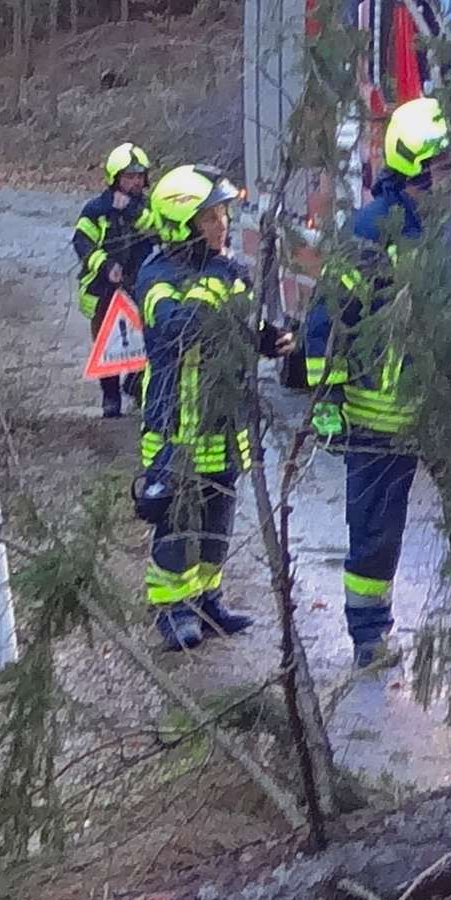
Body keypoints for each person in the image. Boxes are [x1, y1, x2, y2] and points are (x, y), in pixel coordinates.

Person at [307, 97, 450, 665]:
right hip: (378, 416)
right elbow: (327, 318)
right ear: (411, 166)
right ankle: (368, 636)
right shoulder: (369, 232)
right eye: (440, 166)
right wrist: (328, 400)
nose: (449, 177)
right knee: (375, 530)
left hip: (444, 408)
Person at [133, 166, 280, 651]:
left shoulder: (223, 271)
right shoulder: (157, 277)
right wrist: (215, 283)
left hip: (223, 425)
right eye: (210, 217)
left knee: (217, 521)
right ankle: (172, 609)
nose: (222, 225)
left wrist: (266, 341)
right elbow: (175, 330)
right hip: (177, 428)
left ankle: (207, 598)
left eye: (222, 214)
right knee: (177, 522)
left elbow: (234, 330)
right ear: (181, 224)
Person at [74, 142, 155, 419]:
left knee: (143, 341)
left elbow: (158, 231)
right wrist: (106, 266)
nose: (134, 182)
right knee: (107, 345)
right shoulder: (96, 209)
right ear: (115, 178)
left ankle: (137, 386)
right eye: (128, 177)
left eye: (139, 176)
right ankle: (110, 398)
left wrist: (132, 210)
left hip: (139, 288)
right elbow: (82, 242)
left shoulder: (148, 208)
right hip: (104, 291)